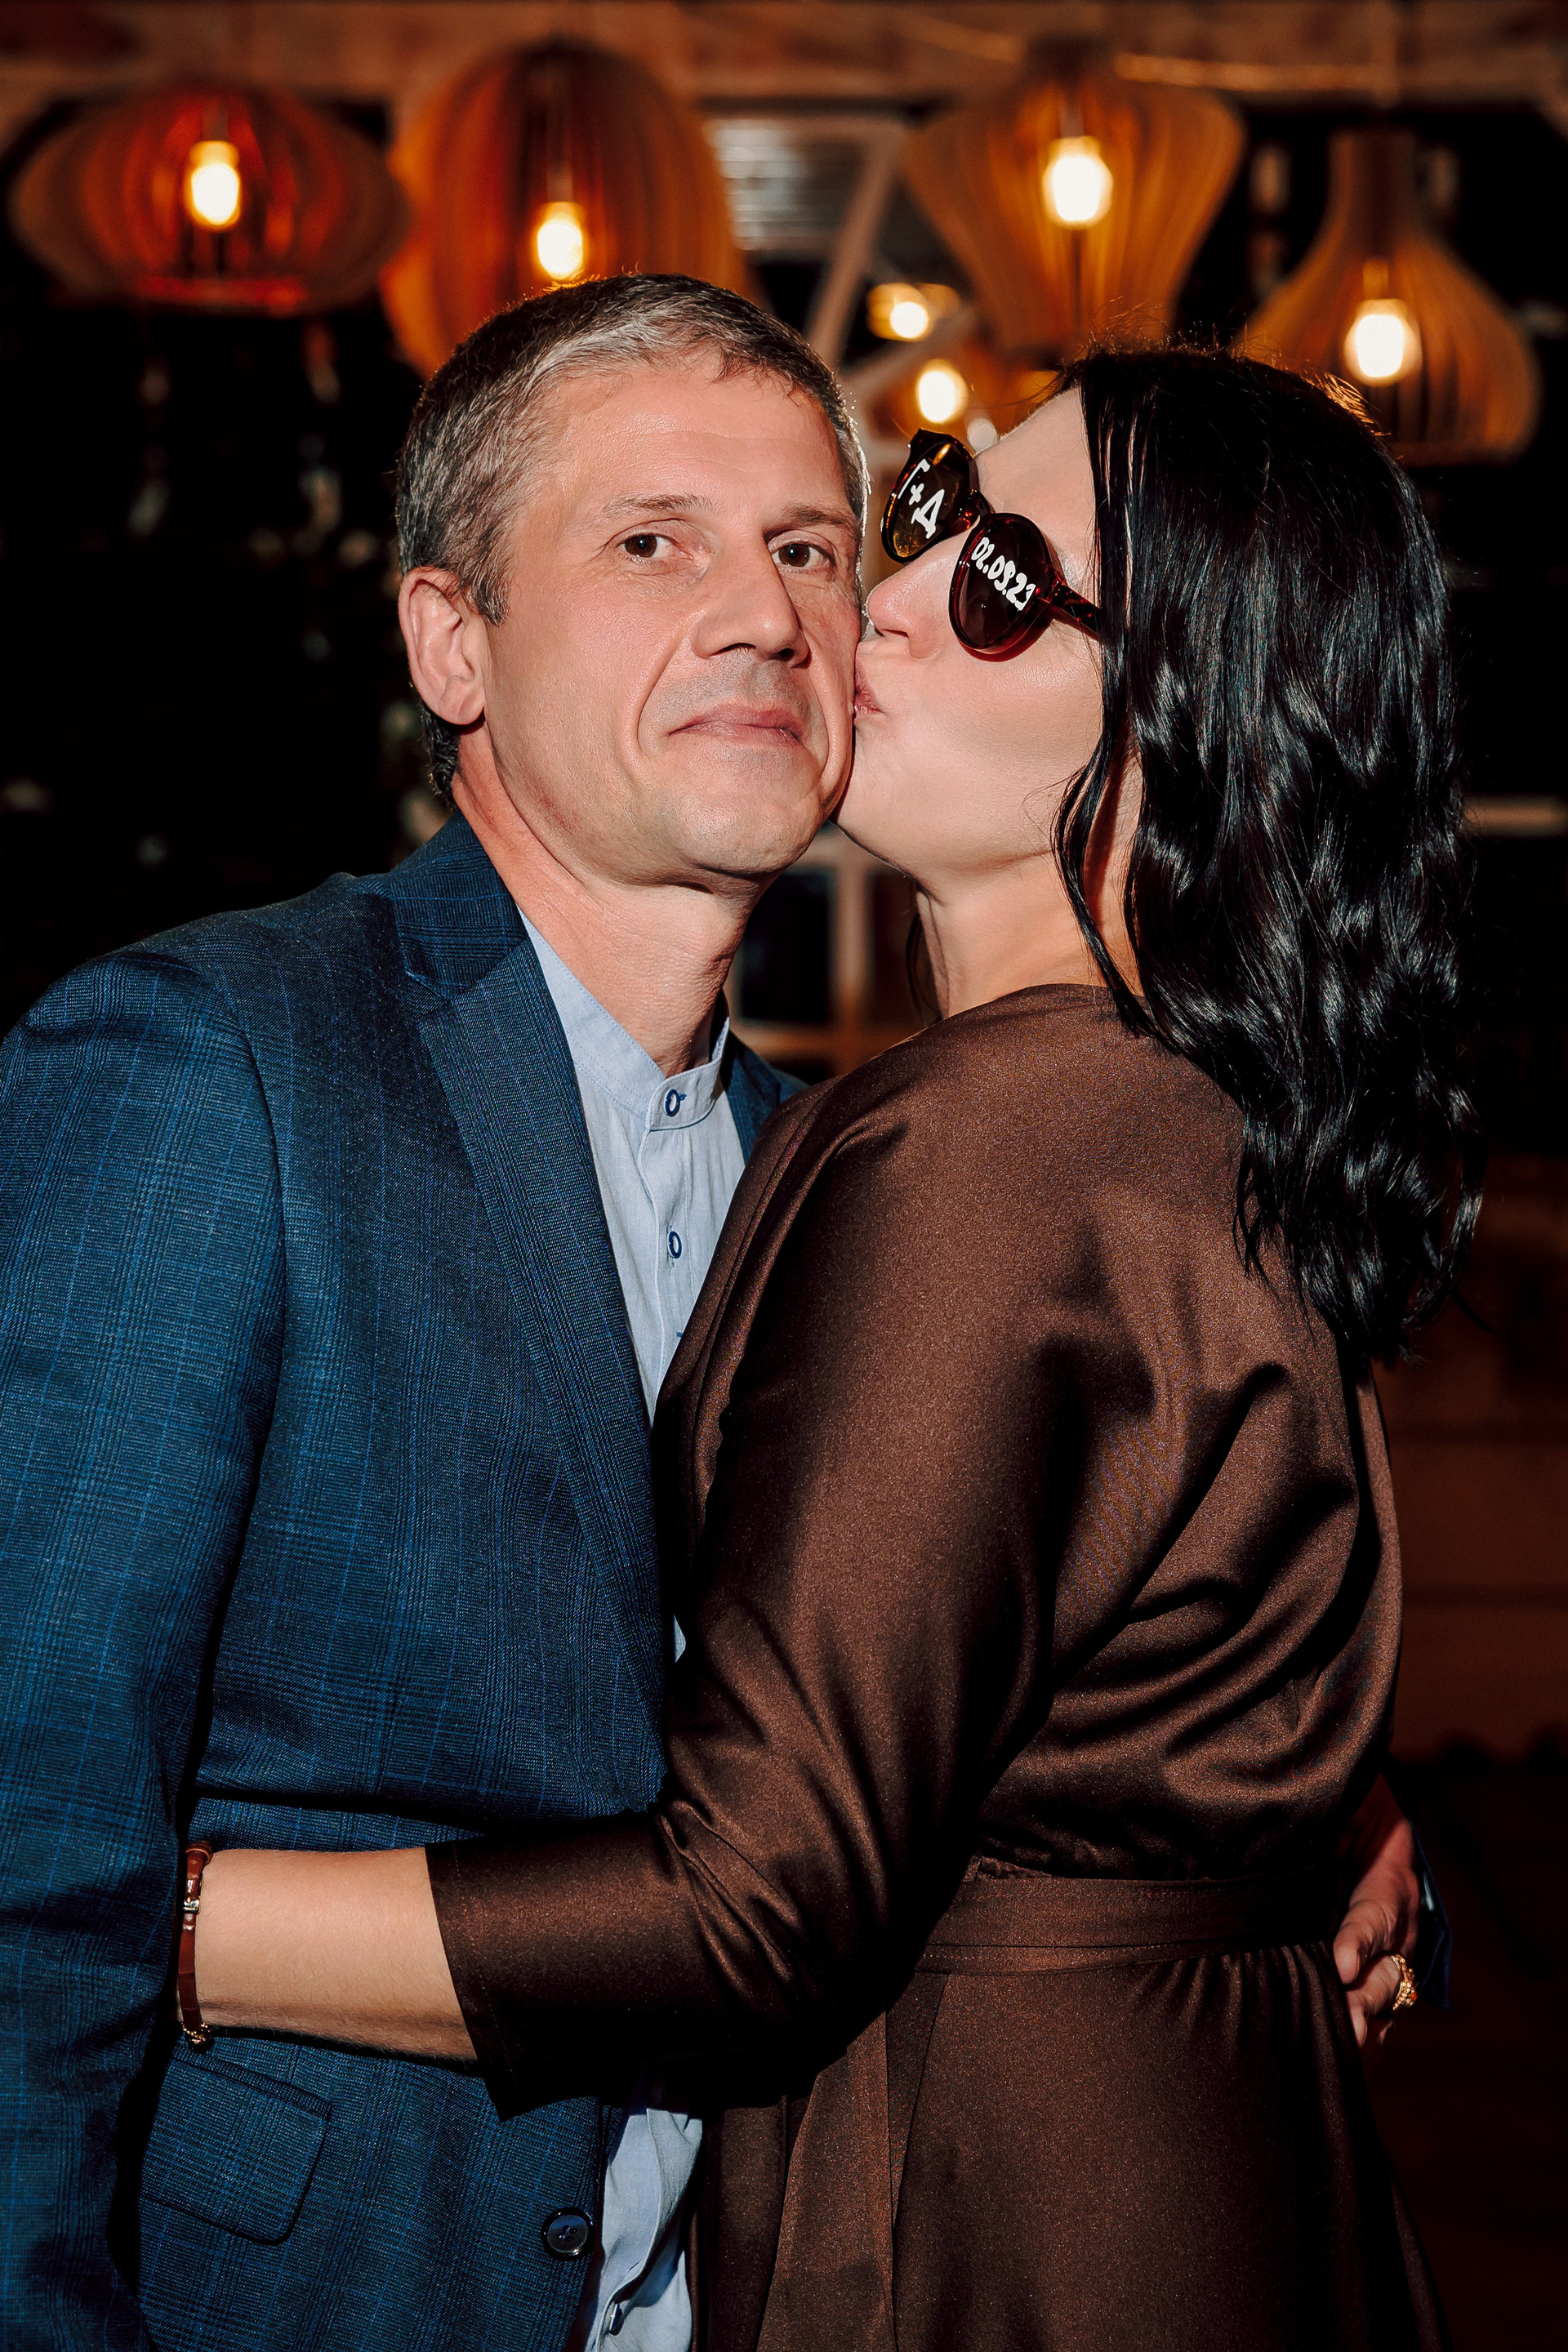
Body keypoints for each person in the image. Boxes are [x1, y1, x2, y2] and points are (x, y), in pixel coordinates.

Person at [186, 347, 1474, 2351]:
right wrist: (1306, 1814)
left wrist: (166, 1914)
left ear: (1183, 722)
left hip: (1000, 2221)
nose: (880, 595)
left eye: (1008, 582)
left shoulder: (995, 1142)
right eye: (938, 505)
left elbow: (756, 1902)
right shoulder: (1188, 1122)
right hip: (1207, 2181)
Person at [0, 277, 868, 2352]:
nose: (764, 614)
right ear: (450, 643)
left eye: (810, 550)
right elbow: (28, 1855)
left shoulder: (842, 1173)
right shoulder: (209, 1066)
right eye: (650, 540)